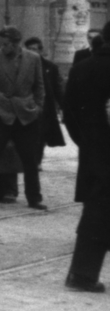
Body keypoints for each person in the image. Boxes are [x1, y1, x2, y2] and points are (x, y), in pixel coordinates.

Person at [0, 25, 47, 209]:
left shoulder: (33, 58)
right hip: (0, 112)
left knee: (30, 159)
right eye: (1, 44)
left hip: (26, 114)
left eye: (7, 44)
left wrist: (38, 108)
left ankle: (34, 198)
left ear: (17, 44)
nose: (3, 47)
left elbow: (39, 87)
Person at [62, 32, 110, 291]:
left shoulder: (81, 69)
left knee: (96, 211)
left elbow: (68, 113)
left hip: (95, 154)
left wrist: (91, 145)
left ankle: (81, 275)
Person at [24, 37, 68, 150]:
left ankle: (37, 161)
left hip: (45, 107)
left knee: (41, 135)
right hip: (26, 105)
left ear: (40, 51)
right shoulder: (21, 66)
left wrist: (64, 107)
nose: (32, 52)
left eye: (34, 49)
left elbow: (57, 88)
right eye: (29, 49)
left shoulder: (50, 67)